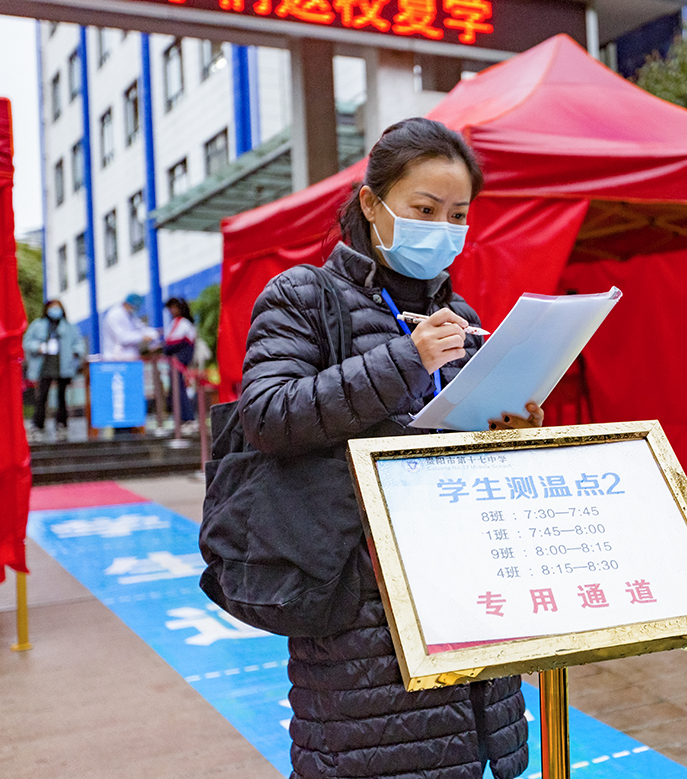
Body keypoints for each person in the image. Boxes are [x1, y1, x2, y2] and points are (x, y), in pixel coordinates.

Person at [238, 118, 536, 779]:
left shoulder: (461, 319)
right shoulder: (303, 298)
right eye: (424, 210)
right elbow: (267, 413)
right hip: (361, 607)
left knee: (466, 758)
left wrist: (508, 427)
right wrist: (406, 357)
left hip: (468, 588)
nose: (443, 228)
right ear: (372, 205)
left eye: (457, 215)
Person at [23, 299, 86, 439]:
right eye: (52, 308)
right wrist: (38, 347)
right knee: (42, 397)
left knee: (61, 397)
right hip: (44, 365)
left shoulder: (69, 327)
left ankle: (62, 425)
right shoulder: (38, 325)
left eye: (58, 308)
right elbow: (27, 341)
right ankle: (38, 425)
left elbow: (79, 343)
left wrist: (75, 352)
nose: (55, 310)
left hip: (63, 365)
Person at [162, 297, 197, 425]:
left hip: (180, 361)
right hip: (176, 361)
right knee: (176, 390)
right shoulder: (175, 322)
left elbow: (170, 342)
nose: (171, 311)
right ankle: (181, 417)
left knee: (180, 390)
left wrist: (164, 347)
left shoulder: (182, 323)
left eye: (174, 307)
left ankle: (187, 418)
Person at [101, 292, 157, 359]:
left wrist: (154, 333)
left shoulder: (130, 315)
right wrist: (142, 337)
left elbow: (141, 328)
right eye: (133, 307)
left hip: (131, 357)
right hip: (116, 358)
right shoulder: (114, 315)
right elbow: (122, 338)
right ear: (126, 304)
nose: (134, 309)